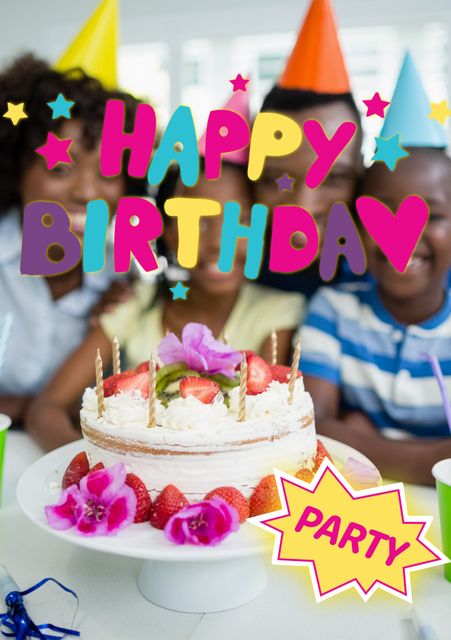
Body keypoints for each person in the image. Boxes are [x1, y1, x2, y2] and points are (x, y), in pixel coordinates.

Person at [25, 155, 305, 451]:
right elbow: (46, 409)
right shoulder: (137, 303)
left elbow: (269, 427)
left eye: (243, 221)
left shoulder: (276, 313)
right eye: (197, 221)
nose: (220, 242)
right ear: (168, 232)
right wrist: (95, 471)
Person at [0, 54, 144, 423]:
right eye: (61, 168)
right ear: (17, 168)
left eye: (109, 171)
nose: (86, 192)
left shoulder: (123, 273)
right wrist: (29, 410)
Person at [256, 0, 364, 297]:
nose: (303, 207)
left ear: (361, 174)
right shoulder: (225, 273)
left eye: (333, 178)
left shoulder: (397, 283)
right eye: (274, 178)